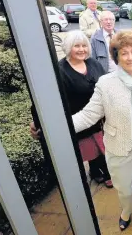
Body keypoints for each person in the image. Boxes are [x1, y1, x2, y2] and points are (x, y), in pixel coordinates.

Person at [71, 31, 132, 231]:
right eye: (124, 53)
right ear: (117, 57)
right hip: (121, 147)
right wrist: (59, 127)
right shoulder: (107, 83)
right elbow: (89, 115)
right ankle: (126, 209)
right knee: (124, 188)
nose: (130, 57)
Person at [29, 30, 112, 188]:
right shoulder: (59, 70)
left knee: (100, 147)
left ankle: (97, 171)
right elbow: (45, 98)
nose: (81, 50)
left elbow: (107, 82)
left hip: (97, 117)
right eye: (76, 46)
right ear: (68, 48)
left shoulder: (92, 63)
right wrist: (37, 122)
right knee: (86, 150)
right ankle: (88, 177)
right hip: (77, 119)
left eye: (84, 46)